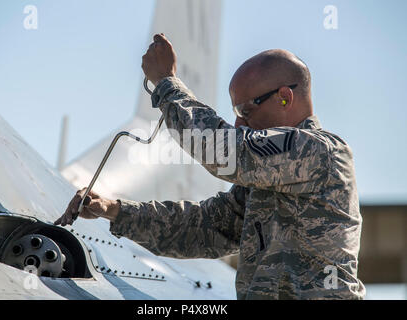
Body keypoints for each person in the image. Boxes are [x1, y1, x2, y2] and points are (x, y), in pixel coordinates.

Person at [55, 34, 366, 300]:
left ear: (284, 97)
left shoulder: (318, 152)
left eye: (245, 109)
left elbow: (222, 149)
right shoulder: (268, 179)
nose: (239, 122)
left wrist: (166, 84)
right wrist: (115, 210)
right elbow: (205, 227)